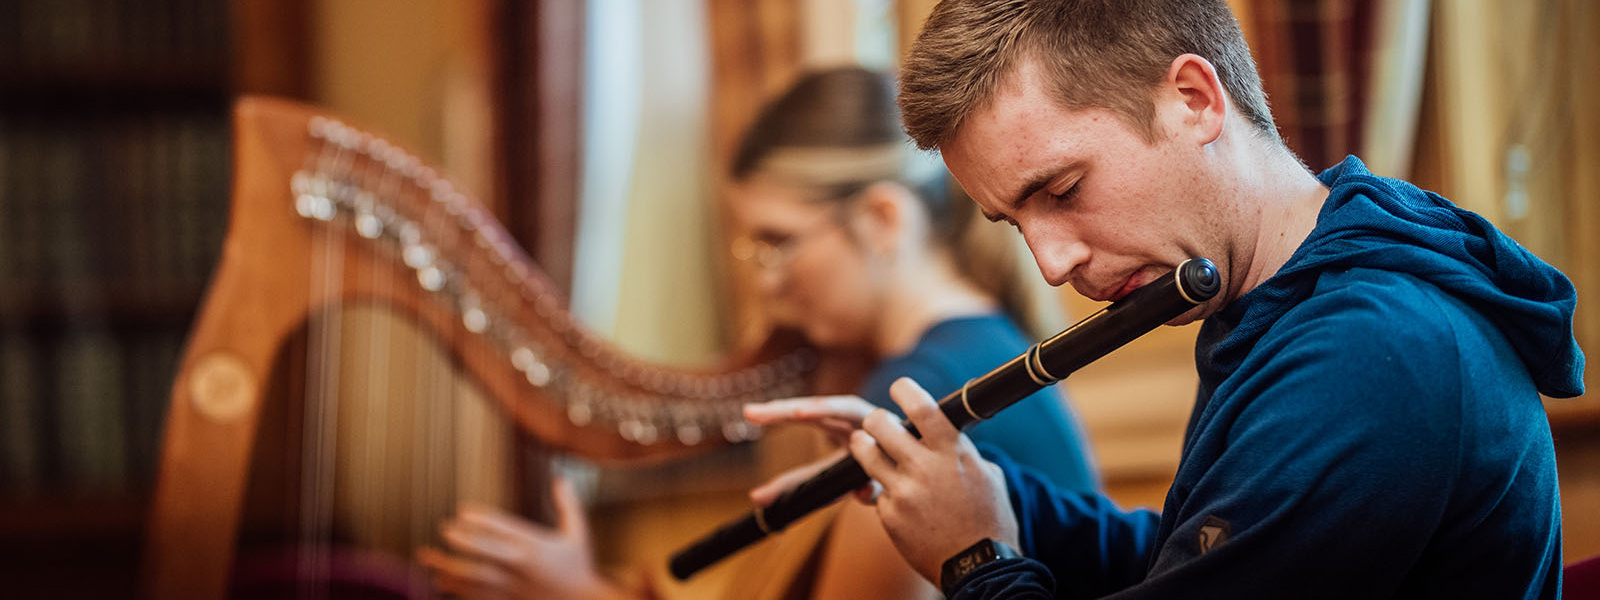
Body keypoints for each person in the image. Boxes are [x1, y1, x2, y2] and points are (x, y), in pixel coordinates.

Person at [752, 1, 1586, 599]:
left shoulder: (1372, 353)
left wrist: (975, 559)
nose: (1051, 263)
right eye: (1014, 221)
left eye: (1064, 189)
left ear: (1193, 99)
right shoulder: (1272, 299)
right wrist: (969, 488)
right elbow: (1192, 558)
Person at [416, 66, 1101, 600]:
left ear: (884, 219)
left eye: (779, 241)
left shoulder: (921, 398)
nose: (767, 282)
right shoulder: (980, 347)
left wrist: (584, 593)